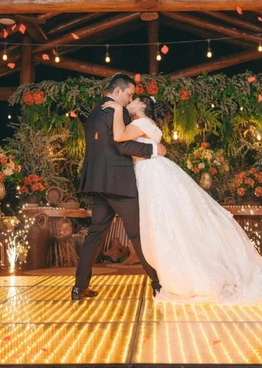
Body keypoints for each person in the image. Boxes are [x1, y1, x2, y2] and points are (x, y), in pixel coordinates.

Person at [102, 96, 262, 304]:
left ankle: (188, 277)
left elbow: (119, 136)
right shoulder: (149, 124)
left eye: (135, 100)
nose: (131, 101)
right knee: (170, 221)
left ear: (143, 105)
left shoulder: (140, 123)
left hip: (150, 174)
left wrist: (118, 108)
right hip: (153, 172)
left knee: (165, 222)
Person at [72, 75, 165, 301]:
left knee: (95, 235)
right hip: (119, 183)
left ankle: (79, 288)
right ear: (117, 91)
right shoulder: (118, 112)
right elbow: (122, 146)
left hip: (97, 182)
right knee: (137, 234)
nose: (129, 98)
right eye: (129, 94)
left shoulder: (94, 112)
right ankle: (158, 284)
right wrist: (154, 150)